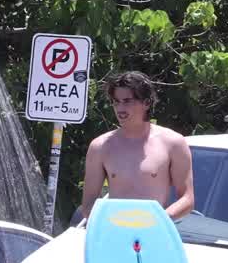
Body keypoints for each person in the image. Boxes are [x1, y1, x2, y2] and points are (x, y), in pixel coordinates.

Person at [78, 71, 194, 222]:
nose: (120, 108)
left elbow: (187, 198)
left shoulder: (173, 143)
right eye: (116, 102)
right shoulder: (100, 146)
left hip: (154, 231)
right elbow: (88, 205)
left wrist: (160, 220)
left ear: (146, 103)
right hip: (114, 230)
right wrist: (109, 223)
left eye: (127, 101)